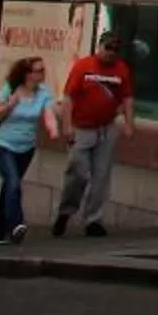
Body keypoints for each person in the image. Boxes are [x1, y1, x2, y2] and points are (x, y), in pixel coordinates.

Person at [52, 32, 136, 239]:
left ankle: (93, 219)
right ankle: (66, 212)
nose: (111, 53)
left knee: (101, 176)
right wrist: (67, 126)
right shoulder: (83, 66)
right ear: (99, 47)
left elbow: (127, 98)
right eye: (107, 48)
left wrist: (129, 123)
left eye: (115, 50)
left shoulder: (121, 69)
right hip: (81, 128)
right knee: (78, 173)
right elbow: (68, 97)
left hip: (105, 129)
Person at [0, 55, 61, 245]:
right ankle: (16, 224)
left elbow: (49, 114)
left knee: (9, 187)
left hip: (26, 148)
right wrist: (9, 105)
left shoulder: (44, 93)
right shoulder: (11, 89)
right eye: (39, 70)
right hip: (4, 146)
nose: (43, 73)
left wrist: (53, 129)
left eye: (43, 70)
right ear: (28, 74)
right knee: (13, 183)